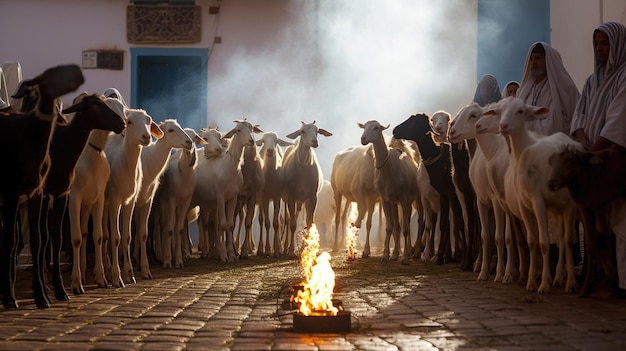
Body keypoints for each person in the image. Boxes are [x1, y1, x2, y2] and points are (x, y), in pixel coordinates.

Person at [571, 21, 626, 297]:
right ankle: (601, 276)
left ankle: (621, 282)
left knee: (619, 221)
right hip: (592, 158)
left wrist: (597, 148)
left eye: (605, 43)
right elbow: (579, 116)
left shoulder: (624, 77)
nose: (600, 49)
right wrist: (583, 142)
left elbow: (618, 121)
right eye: (597, 44)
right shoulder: (592, 80)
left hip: (615, 159)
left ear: (617, 44)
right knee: (595, 223)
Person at [517, 42, 580, 136]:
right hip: (527, 145)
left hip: (557, 144)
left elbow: (574, 119)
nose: (533, 62)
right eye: (531, 59)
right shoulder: (524, 91)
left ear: (548, 61)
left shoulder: (564, 88)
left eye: (538, 58)